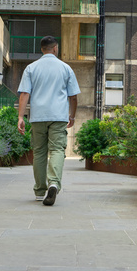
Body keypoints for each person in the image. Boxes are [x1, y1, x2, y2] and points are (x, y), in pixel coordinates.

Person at [17, 36, 80, 206]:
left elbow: (24, 94)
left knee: (39, 152)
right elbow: (73, 96)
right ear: (55, 48)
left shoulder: (31, 68)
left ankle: (39, 190)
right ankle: (54, 183)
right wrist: (72, 116)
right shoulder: (65, 68)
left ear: (42, 49)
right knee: (57, 150)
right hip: (58, 117)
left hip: (38, 117)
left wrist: (20, 117)